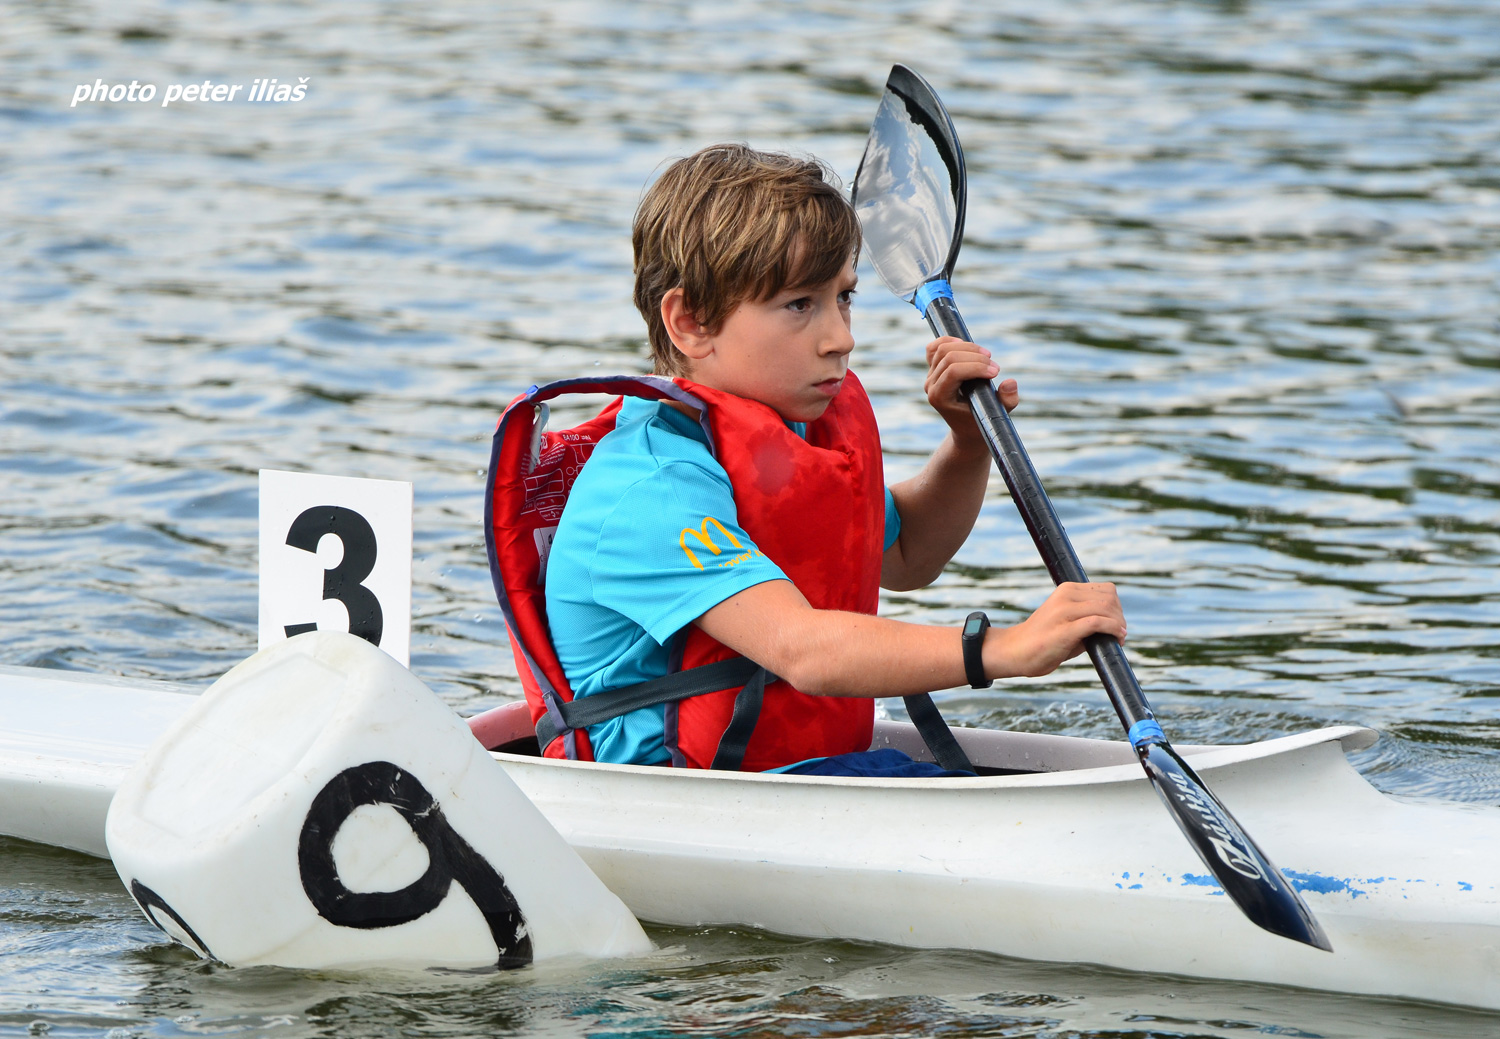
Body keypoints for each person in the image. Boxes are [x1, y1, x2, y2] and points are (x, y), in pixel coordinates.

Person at [538, 143, 1124, 777]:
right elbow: (802, 648)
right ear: (691, 322)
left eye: (843, 297)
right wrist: (1001, 648)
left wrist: (967, 443)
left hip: (792, 775)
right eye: (800, 305)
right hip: (680, 796)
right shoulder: (651, 489)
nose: (842, 337)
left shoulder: (790, 437)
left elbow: (906, 558)